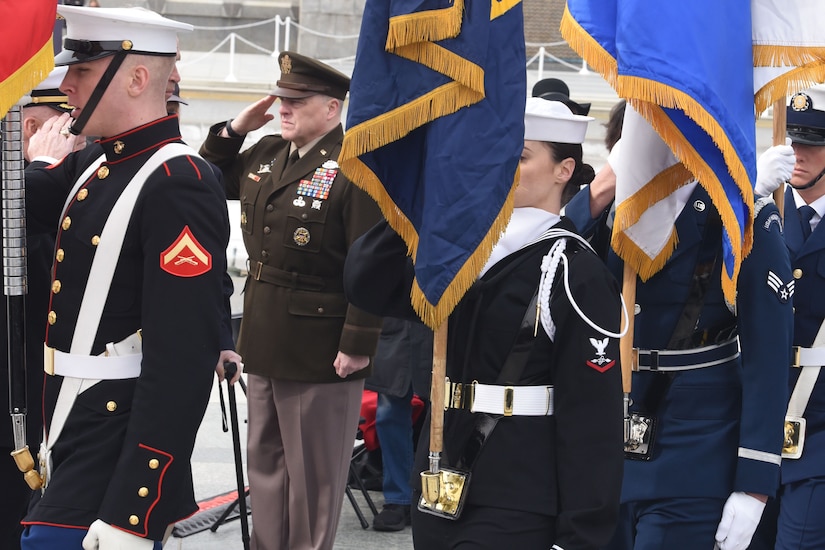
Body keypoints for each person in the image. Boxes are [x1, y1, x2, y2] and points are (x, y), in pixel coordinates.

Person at [344, 97, 625, 549]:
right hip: (439, 478)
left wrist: (580, 535)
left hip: (518, 494)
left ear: (564, 170)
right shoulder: (457, 253)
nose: (501, 164)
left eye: (520, 155)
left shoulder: (573, 270)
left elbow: (593, 418)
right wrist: (427, 196)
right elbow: (366, 283)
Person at [20, 5, 230, 549]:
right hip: (67, 435)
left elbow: (183, 358)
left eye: (82, 72)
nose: (65, 85)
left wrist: (134, 511)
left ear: (138, 77)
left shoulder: (177, 179)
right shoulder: (95, 163)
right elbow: (18, 208)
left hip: (113, 456)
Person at [564, 108, 793, 549]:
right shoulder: (609, 205)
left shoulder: (739, 214)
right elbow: (546, 260)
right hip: (603, 443)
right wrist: (603, 188)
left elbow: (768, 355)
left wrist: (755, 481)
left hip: (694, 449)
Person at [199, 51, 384, 550]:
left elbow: (371, 262)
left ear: (331, 108)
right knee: (266, 463)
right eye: (281, 98)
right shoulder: (264, 155)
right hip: (262, 333)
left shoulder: (354, 166)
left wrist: (358, 341)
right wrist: (235, 129)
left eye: (296, 101)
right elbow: (205, 177)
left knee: (313, 475)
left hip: (321, 344)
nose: (283, 108)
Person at [0, 66, 85, 550]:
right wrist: (44, 169)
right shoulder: (34, 177)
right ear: (31, 127)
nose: (74, 137)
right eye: (64, 124)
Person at [751, 84, 825, 550]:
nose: (797, 154)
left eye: (812, 145)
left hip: (818, 419)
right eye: (791, 141)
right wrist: (749, 204)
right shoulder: (757, 214)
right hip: (757, 413)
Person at [366, 318, 432, 531]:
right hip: (396, 322)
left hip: (440, 319)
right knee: (388, 415)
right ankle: (398, 498)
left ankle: (443, 492)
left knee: (448, 413)